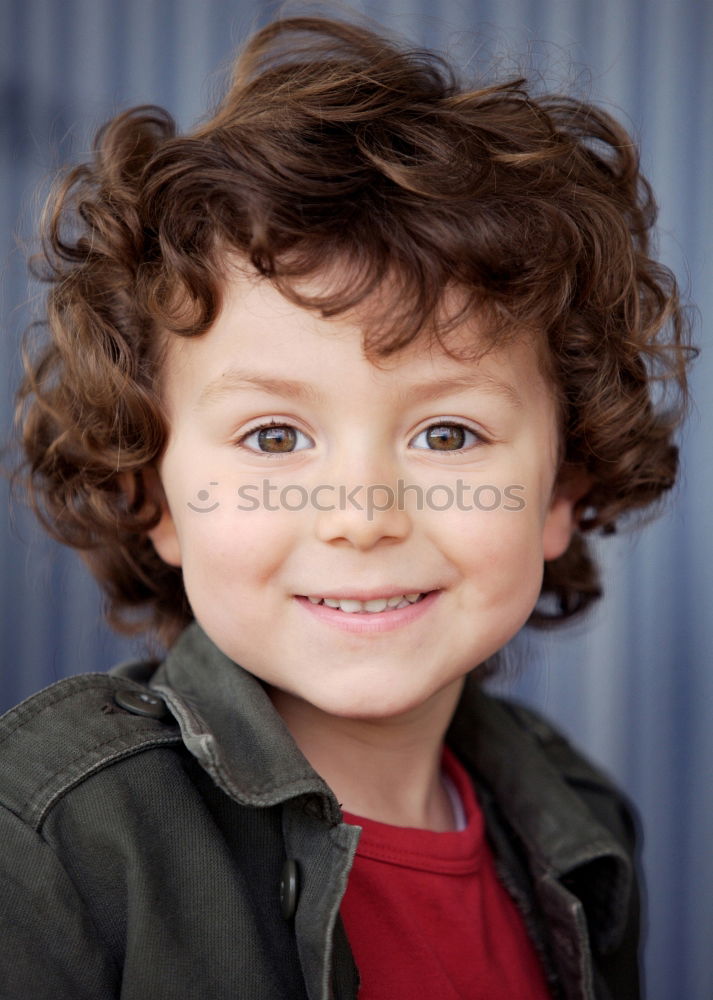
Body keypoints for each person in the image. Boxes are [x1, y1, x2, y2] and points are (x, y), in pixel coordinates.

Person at [2, 15, 692, 1000]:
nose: (362, 514)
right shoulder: (49, 835)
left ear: (560, 489)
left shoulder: (580, 826)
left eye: (445, 435)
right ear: (153, 492)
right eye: (274, 437)